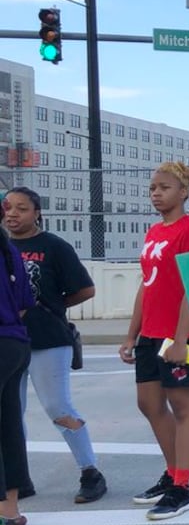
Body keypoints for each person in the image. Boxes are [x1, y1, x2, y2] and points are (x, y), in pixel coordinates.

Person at [119, 163, 189, 521]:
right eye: (152, 188)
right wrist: (132, 334)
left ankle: (182, 486)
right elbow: (147, 284)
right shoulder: (155, 231)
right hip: (151, 334)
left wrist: (180, 338)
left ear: (184, 192)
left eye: (164, 187)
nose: (156, 193)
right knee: (149, 403)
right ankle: (173, 473)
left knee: (183, 408)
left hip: (180, 336)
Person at [3, 187, 105, 504]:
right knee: (10, 414)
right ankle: (17, 481)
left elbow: (85, 289)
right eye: (8, 207)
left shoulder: (54, 247)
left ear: (37, 213)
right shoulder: (3, 245)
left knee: (57, 407)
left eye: (22, 208)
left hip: (48, 340)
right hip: (9, 342)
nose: (12, 214)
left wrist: (55, 306)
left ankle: (90, 472)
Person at [0, 222, 36, 525]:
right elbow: (24, 302)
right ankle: (9, 510)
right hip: (13, 342)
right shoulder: (9, 250)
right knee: (9, 426)